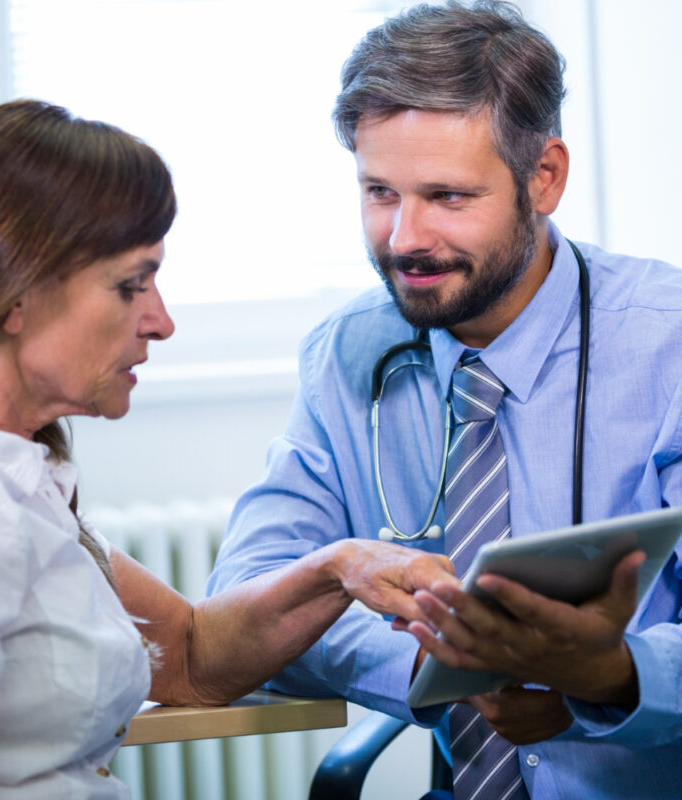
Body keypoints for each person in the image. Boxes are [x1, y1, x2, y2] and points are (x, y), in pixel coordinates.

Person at [0, 99, 454, 799]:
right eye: (130, 285)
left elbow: (193, 657)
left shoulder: (12, 465)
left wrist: (337, 568)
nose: (160, 321)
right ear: (13, 293)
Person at [208, 2, 682, 799]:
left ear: (545, 177)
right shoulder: (347, 352)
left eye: (447, 197)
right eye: (380, 191)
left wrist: (610, 676)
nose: (403, 238)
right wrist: (434, 661)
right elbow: (250, 596)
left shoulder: (667, 347)